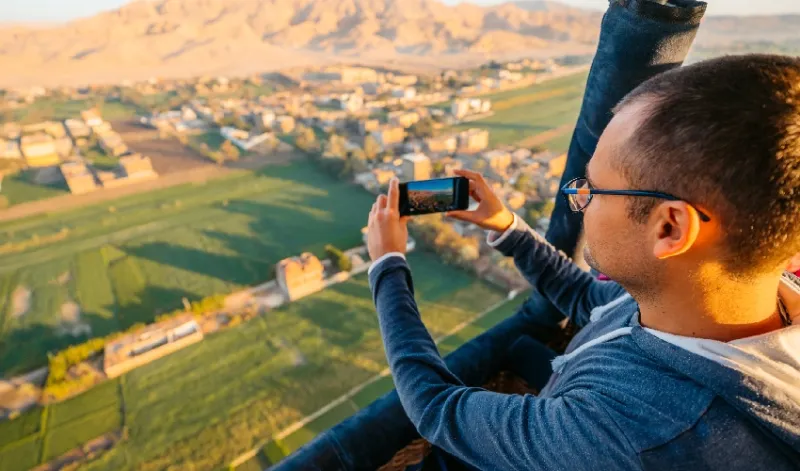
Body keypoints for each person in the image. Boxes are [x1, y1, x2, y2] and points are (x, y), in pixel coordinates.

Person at [365, 53, 800, 470]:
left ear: (669, 228)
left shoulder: (626, 435)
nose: (579, 202)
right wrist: (506, 226)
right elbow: (588, 298)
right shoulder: (716, 300)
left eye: (590, 189)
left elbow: (437, 408)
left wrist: (387, 264)